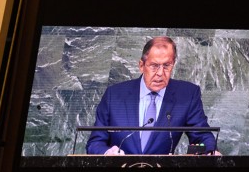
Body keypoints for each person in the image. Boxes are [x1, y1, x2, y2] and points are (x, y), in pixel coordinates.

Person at [86, 36, 219, 156]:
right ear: (141, 65)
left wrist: (210, 152)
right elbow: (95, 143)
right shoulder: (114, 95)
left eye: (166, 65)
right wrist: (108, 153)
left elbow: (202, 136)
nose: (160, 73)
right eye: (154, 66)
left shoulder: (187, 95)